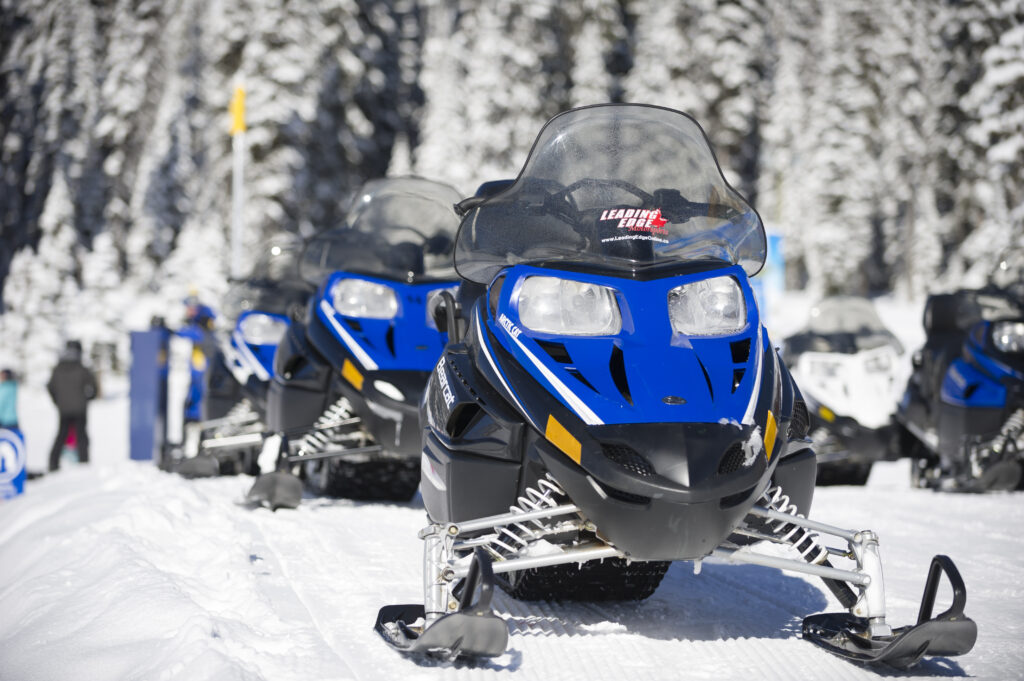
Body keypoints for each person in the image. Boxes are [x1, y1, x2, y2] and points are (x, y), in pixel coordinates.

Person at [47, 340, 98, 471]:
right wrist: (89, 397)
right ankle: (84, 463)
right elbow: (93, 385)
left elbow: (50, 386)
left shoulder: (58, 368)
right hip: (80, 408)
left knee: (61, 435)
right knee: (81, 436)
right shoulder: (81, 367)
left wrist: (57, 401)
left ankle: (53, 463)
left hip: (63, 408)